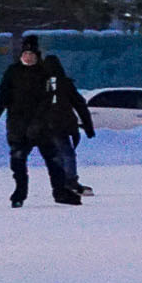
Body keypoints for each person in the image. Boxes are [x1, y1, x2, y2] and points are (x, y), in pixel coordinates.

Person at [0, 36, 79, 208]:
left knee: (53, 160)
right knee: (18, 161)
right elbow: (3, 96)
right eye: (25, 54)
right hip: (18, 126)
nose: (28, 57)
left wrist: (43, 120)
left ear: (37, 55)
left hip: (43, 126)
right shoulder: (12, 72)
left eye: (31, 54)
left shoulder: (46, 72)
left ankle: (60, 192)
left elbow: (51, 99)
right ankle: (19, 193)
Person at [42, 54, 96, 198]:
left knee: (59, 154)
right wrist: (88, 125)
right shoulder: (64, 84)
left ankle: (62, 182)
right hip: (61, 125)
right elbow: (79, 104)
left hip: (48, 126)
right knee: (67, 153)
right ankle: (70, 182)